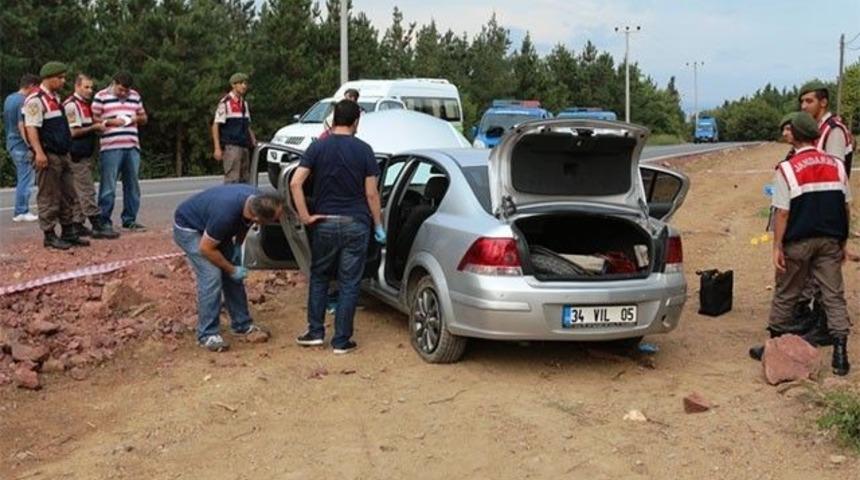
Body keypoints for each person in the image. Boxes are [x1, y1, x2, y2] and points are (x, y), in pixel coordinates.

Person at [749, 112, 852, 376]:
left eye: (788, 130)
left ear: (795, 134)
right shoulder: (837, 165)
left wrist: (777, 247)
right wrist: (842, 241)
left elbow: (782, 212)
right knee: (833, 295)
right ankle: (840, 354)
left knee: (786, 293)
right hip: (830, 241)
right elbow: (846, 205)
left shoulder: (787, 168)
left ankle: (771, 347)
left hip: (798, 241)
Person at [291, 99, 385, 354]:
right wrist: (378, 226)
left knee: (320, 276)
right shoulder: (364, 150)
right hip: (356, 223)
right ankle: (341, 341)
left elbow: (295, 183)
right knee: (349, 282)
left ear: (333, 119)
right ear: (356, 121)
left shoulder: (317, 148)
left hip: (324, 223)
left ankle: (315, 331)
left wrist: (305, 215)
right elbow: (371, 194)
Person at [173, 185, 282, 351]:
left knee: (231, 269)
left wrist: (238, 246)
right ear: (258, 218)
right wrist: (231, 269)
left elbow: (245, 223)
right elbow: (206, 248)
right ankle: (207, 334)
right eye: (273, 220)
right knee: (212, 275)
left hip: (212, 227)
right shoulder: (224, 215)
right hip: (189, 228)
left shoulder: (257, 200)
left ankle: (242, 324)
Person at [23, 62, 89, 250]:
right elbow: (31, 128)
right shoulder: (36, 100)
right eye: (60, 78)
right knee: (49, 196)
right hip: (48, 154)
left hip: (62, 154)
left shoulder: (56, 98)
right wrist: (39, 153)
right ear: (49, 78)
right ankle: (49, 235)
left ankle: (68, 231)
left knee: (68, 194)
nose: (63, 81)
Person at [63, 74, 120, 240]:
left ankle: (77, 224)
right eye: (86, 87)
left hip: (85, 153)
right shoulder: (72, 106)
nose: (90, 91)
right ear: (77, 86)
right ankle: (97, 224)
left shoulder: (84, 105)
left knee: (78, 192)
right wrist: (95, 127)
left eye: (91, 87)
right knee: (87, 190)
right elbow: (73, 132)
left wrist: (105, 123)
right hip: (76, 154)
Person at [92, 71, 148, 231]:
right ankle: (104, 220)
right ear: (113, 83)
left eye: (126, 91)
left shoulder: (135, 96)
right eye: (120, 90)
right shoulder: (101, 96)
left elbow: (144, 117)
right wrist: (111, 121)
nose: (123, 93)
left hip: (132, 145)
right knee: (108, 186)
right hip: (111, 146)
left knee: (132, 185)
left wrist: (133, 119)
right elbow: (94, 119)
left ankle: (129, 219)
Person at [4, 74, 40, 222]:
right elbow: (22, 124)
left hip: (11, 142)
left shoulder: (9, 99)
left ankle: (21, 209)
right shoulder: (23, 101)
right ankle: (21, 211)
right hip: (21, 144)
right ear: (31, 86)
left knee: (22, 177)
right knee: (26, 178)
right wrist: (30, 145)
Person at [799, 81, 854, 176]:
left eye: (809, 101)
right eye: (802, 101)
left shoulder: (834, 130)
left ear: (823, 102)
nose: (803, 106)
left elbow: (834, 172)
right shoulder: (818, 129)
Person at [212, 73, 256, 183]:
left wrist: (253, 140)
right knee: (232, 179)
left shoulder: (244, 104)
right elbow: (216, 125)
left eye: (245, 83)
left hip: (244, 145)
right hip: (232, 146)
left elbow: (247, 125)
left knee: (245, 179)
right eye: (241, 83)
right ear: (233, 85)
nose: (244, 86)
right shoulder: (225, 103)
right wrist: (217, 148)